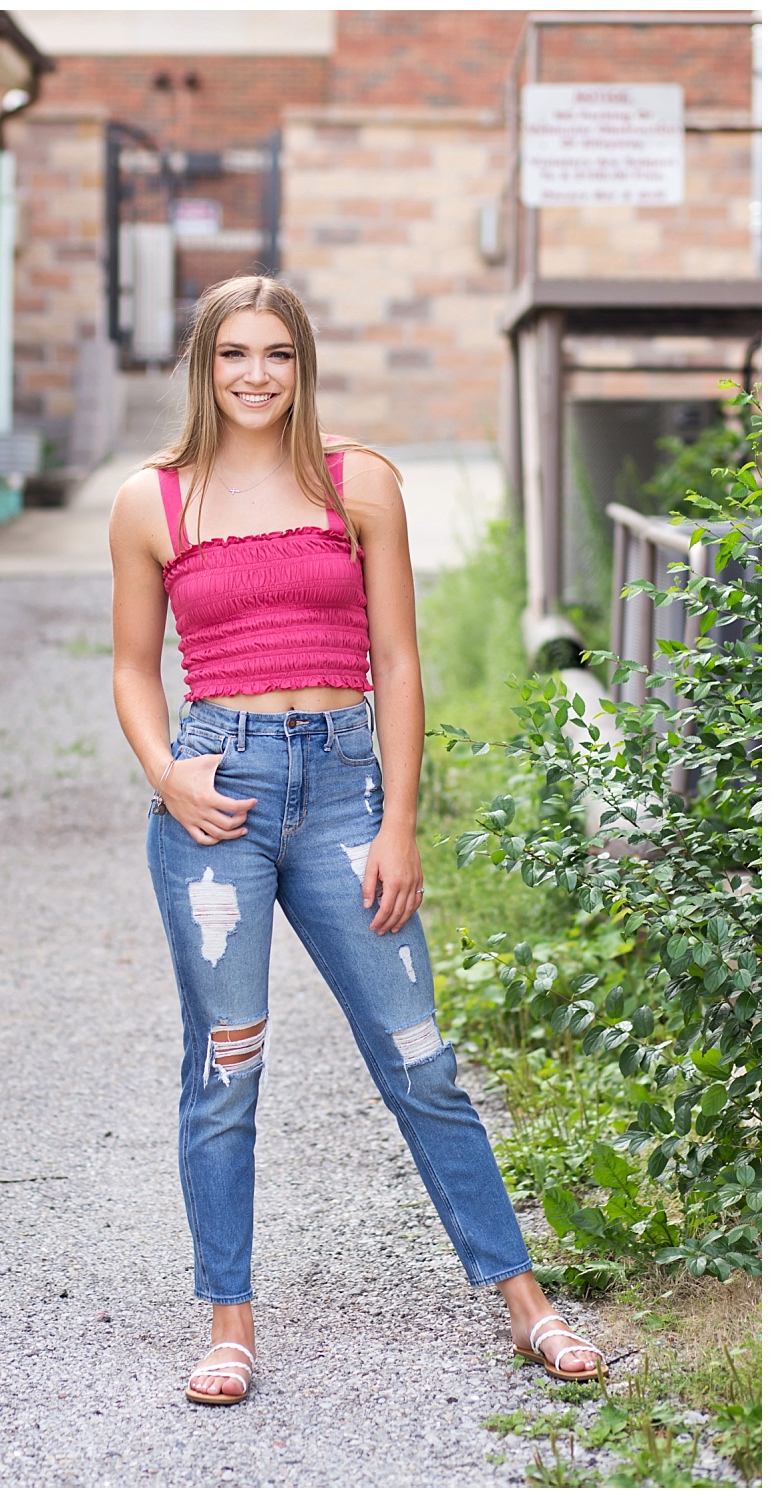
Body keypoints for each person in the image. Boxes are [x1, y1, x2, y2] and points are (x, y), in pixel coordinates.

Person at [107, 275, 602, 1406]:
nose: (253, 375)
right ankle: (227, 1326)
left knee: (420, 1059)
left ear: (301, 363)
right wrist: (163, 772)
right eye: (232, 354)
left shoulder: (354, 480)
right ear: (202, 364)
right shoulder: (154, 501)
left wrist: (397, 821)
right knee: (224, 1069)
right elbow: (134, 667)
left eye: (275, 354)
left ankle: (525, 1304)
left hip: (339, 791)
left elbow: (400, 659)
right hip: (215, 794)